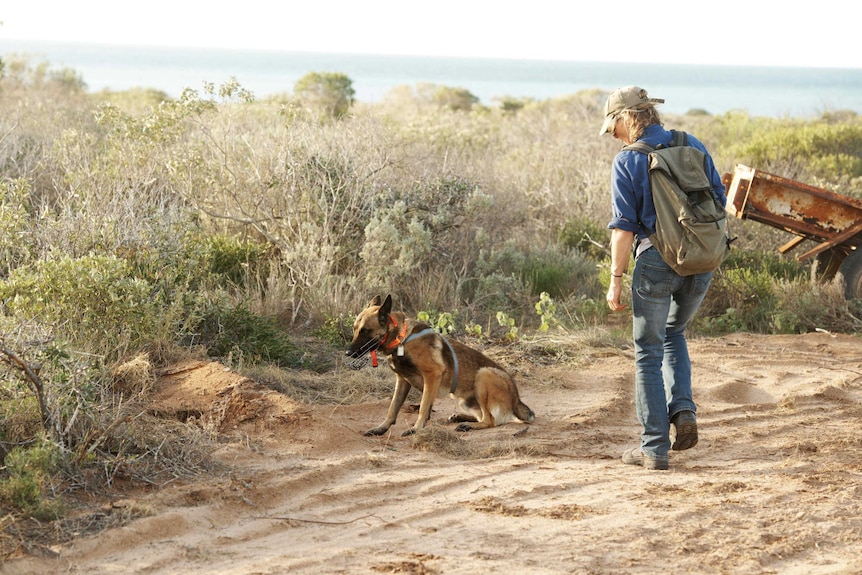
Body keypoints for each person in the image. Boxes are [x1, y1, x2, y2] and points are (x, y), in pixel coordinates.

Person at [600, 86, 727, 471]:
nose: (614, 137)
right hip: (703, 260)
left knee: (648, 352)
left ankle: (654, 448)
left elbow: (623, 229)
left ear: (626, 119)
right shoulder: (693, 143)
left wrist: (616, 278)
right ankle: (683, 411)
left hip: (655, 262)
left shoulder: (627, 161)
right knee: (675, 334)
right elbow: (719, 200)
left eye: (614, 128)